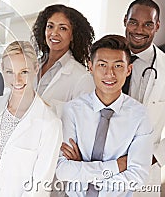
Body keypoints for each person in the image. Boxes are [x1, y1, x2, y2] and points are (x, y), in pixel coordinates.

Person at [56, 35, 153, 196]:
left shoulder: (140, 116)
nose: (110, 74)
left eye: (118, 66)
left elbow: (137, 176)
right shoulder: (72, 110)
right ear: (90, 67)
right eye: (102, 65)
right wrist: (116, 166)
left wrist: (82, 169)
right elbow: (63, 170)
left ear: (128, 69)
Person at [0, 41, 62, 197]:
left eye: (24, 72)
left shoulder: (50, 123)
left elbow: (40, 186)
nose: (17, 80)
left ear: (36, 69)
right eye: (10, 72)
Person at [123, 0, 165, 195]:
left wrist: (154, 156)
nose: (139, 30)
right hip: (104, 164)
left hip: (145, 168)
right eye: (133, 22)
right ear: (125, 21)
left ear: (157, 26)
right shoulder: (106, 58)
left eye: (147, 24)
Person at [32, 4, 95, 117]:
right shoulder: (34, 64)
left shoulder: (82, 78)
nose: (54, 33)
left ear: (72, 36)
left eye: (63, 28)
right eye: (50, 26)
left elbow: (83, 118)